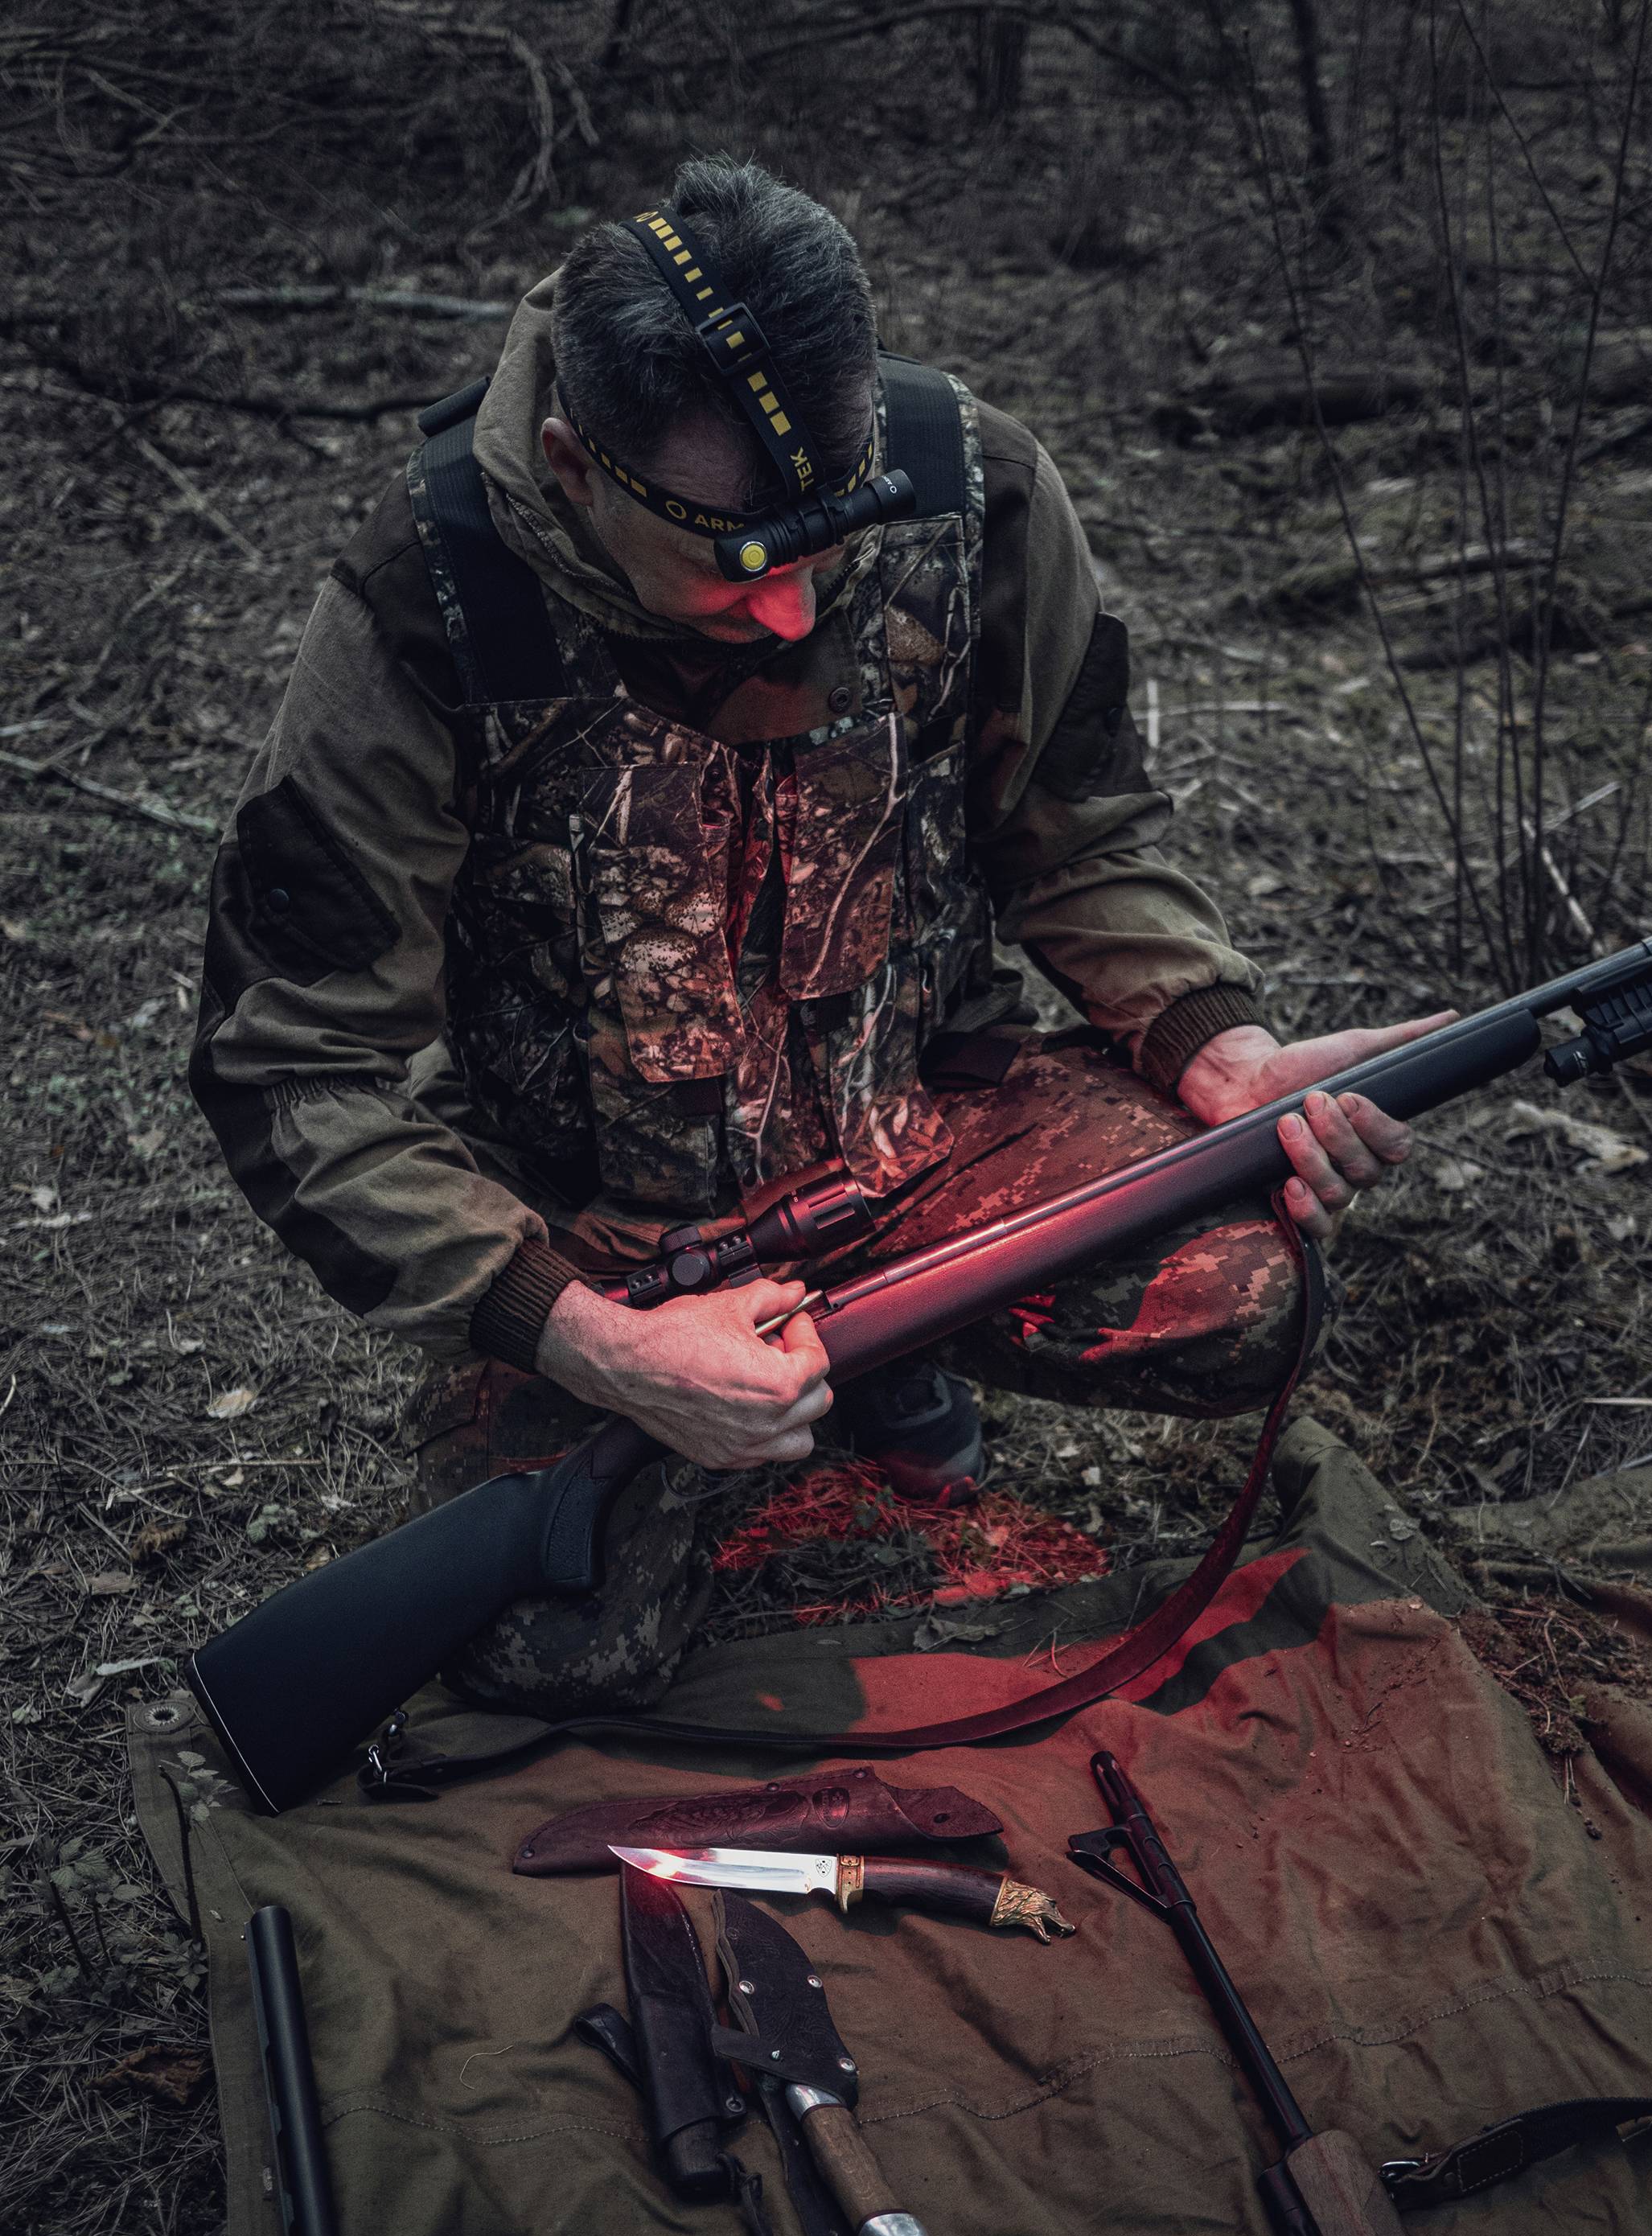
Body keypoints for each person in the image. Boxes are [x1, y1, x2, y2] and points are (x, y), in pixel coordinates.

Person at [190, 158, 1449, 1713]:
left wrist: (1211, 1034)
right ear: (578, 468)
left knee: (1246, 1286)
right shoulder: (428, 600)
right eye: (736, 562)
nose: (793, 613)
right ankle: (715, 1394)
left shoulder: (972, 485)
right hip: (603, 1232)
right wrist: (583, 1339)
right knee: (544, 1647)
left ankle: (891, 1340)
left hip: (914, 1134)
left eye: (828, 544)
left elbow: (1082, 826)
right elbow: (294, 1060)